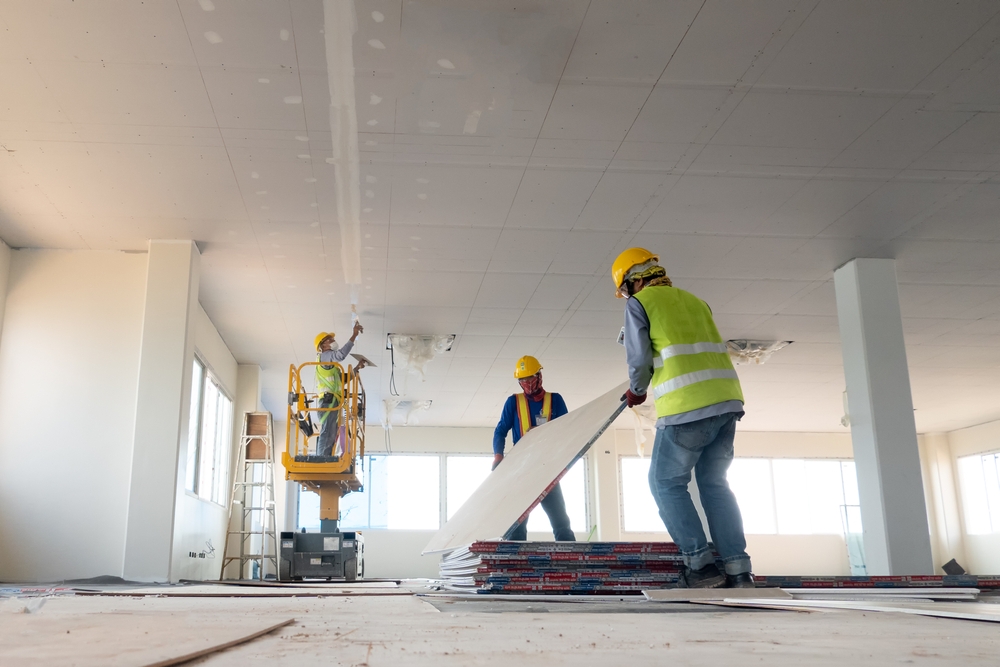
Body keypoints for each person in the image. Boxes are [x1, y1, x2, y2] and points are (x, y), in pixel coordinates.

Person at [613, 247, 754, 589]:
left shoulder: (639, 304)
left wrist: (637, 390)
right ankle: (738, 569)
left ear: (634, 281)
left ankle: (700, 566)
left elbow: (639, 358)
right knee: (715, 485)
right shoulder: (695, 301)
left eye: (625, 290)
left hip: (686, 406)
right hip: (726, 402)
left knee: (665, 483)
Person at [492, 355, 575, 542]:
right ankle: (514, 567)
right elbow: (500, 431)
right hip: (521, 471)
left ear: (539, 376)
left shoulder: (555, 400)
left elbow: (568, 430)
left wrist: (545, 433)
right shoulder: (513, 402)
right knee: (517, 526)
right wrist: (498, 455)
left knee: (561, 521)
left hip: (547, 469)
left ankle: (571, 563)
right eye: (522, 380)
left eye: (530, 379)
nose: (527, 384)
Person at [314, 320, 363, 458]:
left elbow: (344, 380)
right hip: (327, 402)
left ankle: (325, 458)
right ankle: (321, 460)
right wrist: (354, 335)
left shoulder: (332, 367)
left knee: (331, 433)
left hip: (333, 402)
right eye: (331, 340)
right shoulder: (325, 357)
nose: (334, 342)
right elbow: (340, 355)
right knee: (327, 432)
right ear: (323, 345)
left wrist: (357, 368)